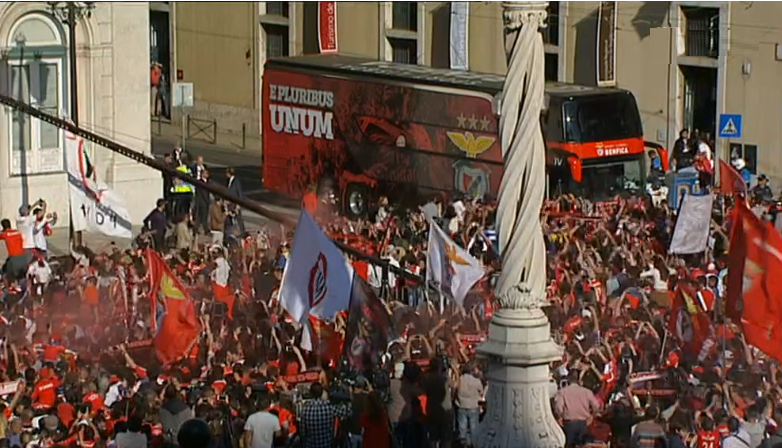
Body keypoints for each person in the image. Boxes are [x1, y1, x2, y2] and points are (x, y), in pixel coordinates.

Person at [296, 382, 351, 448]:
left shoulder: (305, 410)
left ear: (311, 393)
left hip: (310, 445)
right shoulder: (329, 407)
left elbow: (302, 432)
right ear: (322, 393)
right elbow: (348, 412)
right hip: (326, 444)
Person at [554, 370, 601, 448]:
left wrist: (559, 417)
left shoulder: (562, 392)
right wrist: (592, 416)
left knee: (569, 445)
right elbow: (596, 406)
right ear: (579, 379)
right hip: (584, 422)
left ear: (568, 379)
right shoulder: (587, 392)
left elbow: (558, 408)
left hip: (569, 423)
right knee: (583, 445)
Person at [455, 362, 484, 447]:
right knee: (474, 428)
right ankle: (474, 445)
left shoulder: (460, 379)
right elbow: (481, 392)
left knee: (462, 428)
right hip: (473, 406)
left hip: (461, 405)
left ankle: (463, 445)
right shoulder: (476, 381)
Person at [226, 167, 245, 232]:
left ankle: (243, 231)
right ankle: (231, 231)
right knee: (230, 218)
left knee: (239, 218)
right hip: (230, 204)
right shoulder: (229, 181)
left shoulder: (236, 182)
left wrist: (238, 204)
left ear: (229, 174)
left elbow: (239, 193)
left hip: (235, 204)